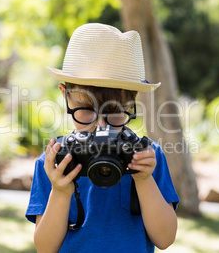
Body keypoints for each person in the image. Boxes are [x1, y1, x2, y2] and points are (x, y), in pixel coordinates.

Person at [25, 23, 180, 253]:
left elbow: (165, 239)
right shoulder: (57, 162)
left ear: (131, 104)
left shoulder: (146, 157)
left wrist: (144, 180)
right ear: (65, 95)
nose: (100, 125)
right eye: (86, 110)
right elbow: (45, 248)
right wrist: (60, 192)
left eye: (115, 112)